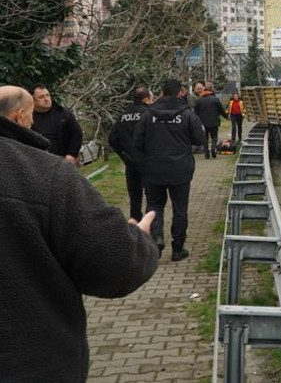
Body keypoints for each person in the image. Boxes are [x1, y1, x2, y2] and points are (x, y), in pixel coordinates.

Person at [0, 85, 158, 381]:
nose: (34, 121)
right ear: (19, 117)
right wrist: (140, 242)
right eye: (32, 113)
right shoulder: (44, 175)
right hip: (32, 364)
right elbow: (114, 266)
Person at [134, 79, 205, 261]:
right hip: (180, 170)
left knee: (154, 205)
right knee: (180, 208)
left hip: (153, 169)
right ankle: (178, 247)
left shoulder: (148, 114)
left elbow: (137, 142)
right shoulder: (187, 114)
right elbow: (199, 139)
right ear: (179, 93)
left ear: (162, 93)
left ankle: (156, 237)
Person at [109, 86, 153, 221]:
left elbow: (112, 138)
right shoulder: (150, 114)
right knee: (152, 196)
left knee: (134, 196)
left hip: (130, 162)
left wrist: (123, 154)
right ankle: (150, 226)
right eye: (152, 98)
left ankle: (135, 224)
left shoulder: (124, 115)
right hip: (148, 162)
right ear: (146, 99)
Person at [30, 83, 83, 167]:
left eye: (47, 95)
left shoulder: (63, 113)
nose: (46, 99)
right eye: (41, 97)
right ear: (33, 100)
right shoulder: (28, 118)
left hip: (64, 162)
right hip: (41, 166)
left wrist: (72, 155)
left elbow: (77, 133)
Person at [195, 84, 228, 159]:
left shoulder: (199, 100)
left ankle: (206, 154)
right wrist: (226, 116)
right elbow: (221, 110)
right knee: (214, 137)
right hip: (214, 122)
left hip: (203, 122)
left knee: (205, 138)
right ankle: (213, 148)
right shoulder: (215, 99)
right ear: (211, 91)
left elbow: (196, 111)